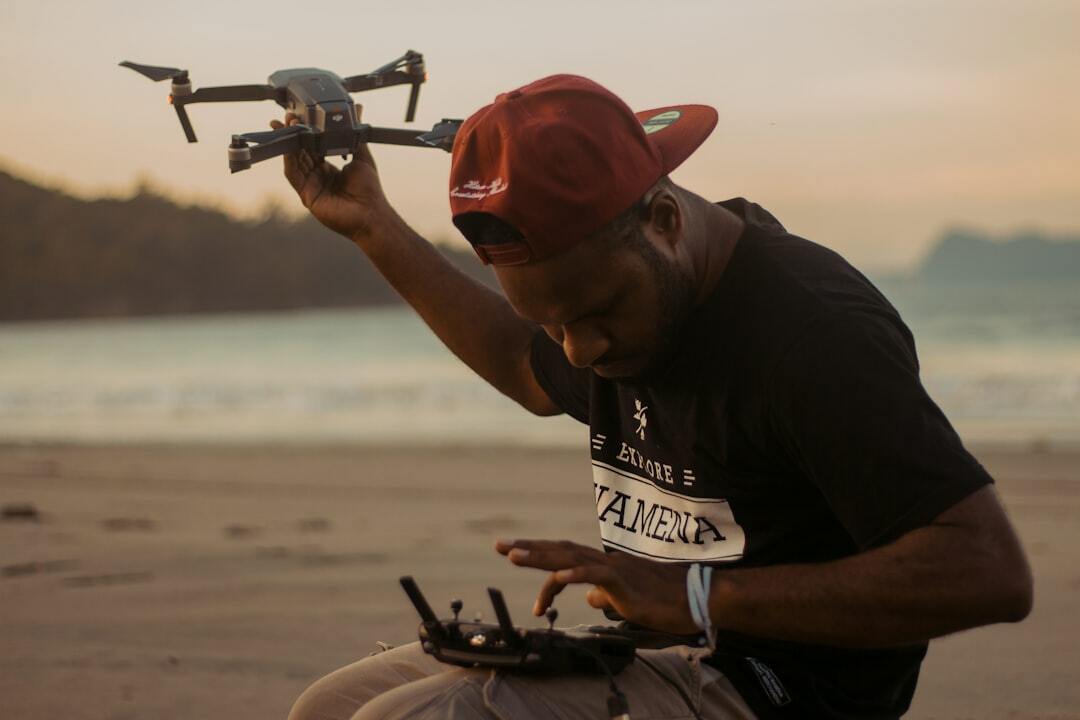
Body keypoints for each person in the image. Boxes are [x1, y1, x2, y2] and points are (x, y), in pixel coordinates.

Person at [276, 74, 1033, 719]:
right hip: (654, 651)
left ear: (665, 219)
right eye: (554, 322)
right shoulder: (619, 303)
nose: (581, 351)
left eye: (597, 314)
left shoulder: (811, 337)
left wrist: (700, 598)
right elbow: (522, 363)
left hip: (779, 692)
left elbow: (987, 569)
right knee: (331, 710)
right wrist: (373, 227)